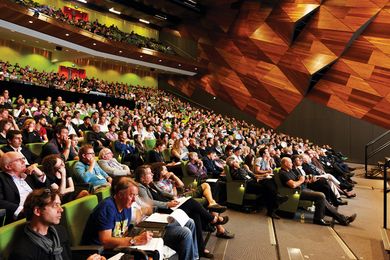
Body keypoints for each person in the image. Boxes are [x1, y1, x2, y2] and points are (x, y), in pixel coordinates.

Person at [82, 176, 198, 260]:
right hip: (102, 252)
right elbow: (105, 241)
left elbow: (125, 231)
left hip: (121, 243)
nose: (134, 200)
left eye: (136, 195)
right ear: (119, 194)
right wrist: (134, 240)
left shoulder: (126, 205)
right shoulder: (107, 208)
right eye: (131, 195)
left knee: (183, 232)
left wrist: (139, 235)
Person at [136, 165, 231, 258]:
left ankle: (201, 248)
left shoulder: (150, 185)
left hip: (169, 205)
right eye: (149, 173)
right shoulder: (140, 187)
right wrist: (167, 204)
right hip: (163, 210)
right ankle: (212, 219)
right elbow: (148, 202)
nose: (152, 174)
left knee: (195, 214)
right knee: (191, 202)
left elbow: (162, 193)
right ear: (142, 178)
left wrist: (172, 197)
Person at [279, 157, 357, 226]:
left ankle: (343, 219)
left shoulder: (290, 171)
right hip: (297, 192)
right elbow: (293, 185)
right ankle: (318, 218)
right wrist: (301, 180)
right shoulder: (283, 173)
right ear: (285, 163)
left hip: (302, 188)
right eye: (290, 162)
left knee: (323, 199)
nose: (292, 164)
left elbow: (298, 180)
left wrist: (307, 180)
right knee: (320, 196)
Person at [0, 151, 49, 224]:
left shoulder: (29, 174)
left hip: (39, 208)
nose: (24, 161)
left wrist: (40, 174)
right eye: (19, 160)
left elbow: (47, 189)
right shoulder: (1, 178)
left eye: (23, 158)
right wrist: (22, 210)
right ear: (8, 167)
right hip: (22, 216)